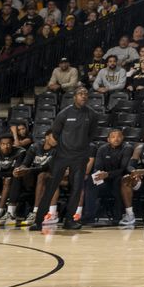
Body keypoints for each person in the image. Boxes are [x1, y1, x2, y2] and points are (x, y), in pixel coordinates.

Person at [44, 88, 102, 230]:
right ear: (74, 96)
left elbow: (91, 135)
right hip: (63, 157)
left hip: (79, 157)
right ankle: (45, 215)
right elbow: (55, 134)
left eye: (86, 94)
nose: (84, 96)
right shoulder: (64, 113)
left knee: (77, 189)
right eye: (81, 94)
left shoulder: (92, 114)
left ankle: (70, 219)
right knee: (50, 184)